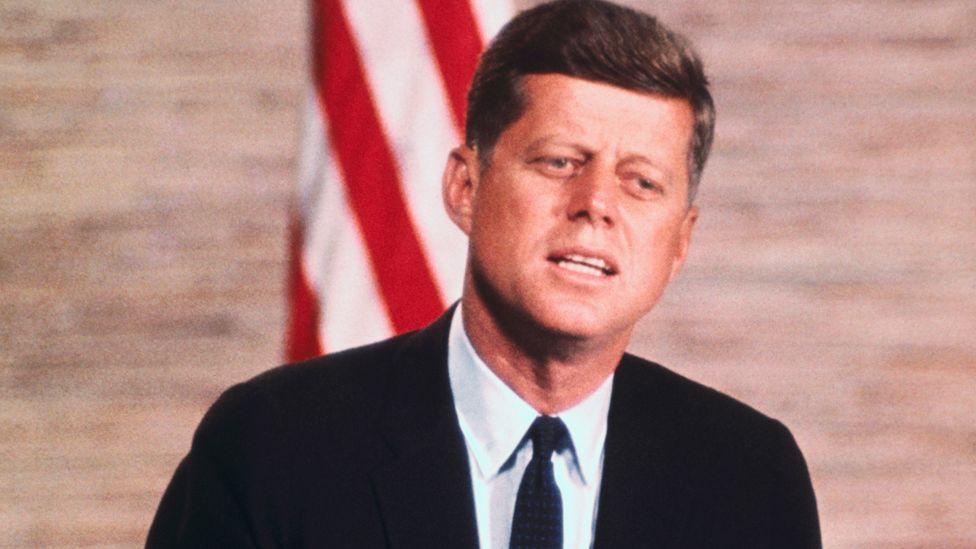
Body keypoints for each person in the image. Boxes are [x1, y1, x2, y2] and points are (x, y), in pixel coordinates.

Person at [147, 0, 821, 547]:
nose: (596, 205)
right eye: (560, 161)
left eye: (641, 181)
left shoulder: (750, 478)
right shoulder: (272, 446)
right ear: (466, 187)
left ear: (680, 242)